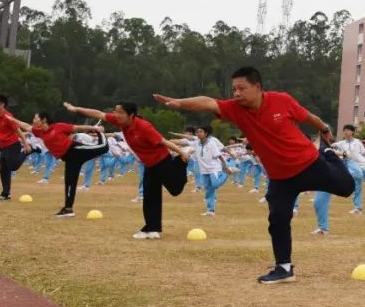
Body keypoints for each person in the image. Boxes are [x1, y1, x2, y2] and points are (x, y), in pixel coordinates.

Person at [152, 66, 353, 284]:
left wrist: (324, 129)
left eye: (242, 88)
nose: (236, 93)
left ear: (257, 87)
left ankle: (329, 152)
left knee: (346, 188)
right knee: (278, 219)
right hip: (280, 178)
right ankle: (284, 268)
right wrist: (180, 103)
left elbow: (308, 116)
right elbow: (209, 102)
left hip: (308, 164)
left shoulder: (281, 100)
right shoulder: (235, 109)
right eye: (233, 89)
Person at [64, 101, 189, 238]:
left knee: (175, 189)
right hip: (149, 165)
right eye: (115, 111)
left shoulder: (144, 126)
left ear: (131, 115)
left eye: (120, 112)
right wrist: (75, 108)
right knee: (150, 196)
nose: (116, 115)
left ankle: (180, 160)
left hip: (162, 160)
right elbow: (98, 113)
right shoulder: (121, 122)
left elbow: (163, 141)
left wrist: (181, 153)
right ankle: (152, 229)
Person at [26, 111, 110, 217]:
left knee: (103, 148)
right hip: (69, 158)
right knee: (69, 182)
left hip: (76, 150)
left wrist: (96, 129)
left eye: (35, 118)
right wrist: (12, 120)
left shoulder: (59, 126)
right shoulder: (41, 132)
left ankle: (101, 132)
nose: (33, 120)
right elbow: (26, 127)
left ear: (44, 120)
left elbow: (77, 127)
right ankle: (68, 209)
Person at [194, 125, 231, 216]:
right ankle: (210, 210)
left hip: (213, 168)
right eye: (197, 132)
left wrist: (225, 166)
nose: (198, 133)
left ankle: (227, 173)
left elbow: (219, 155)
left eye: (201, 131)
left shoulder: (211, 143)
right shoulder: (196, 143)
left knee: (215, 184)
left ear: (206, 133)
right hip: (204, 170)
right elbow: (188, 145)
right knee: (208, 190)